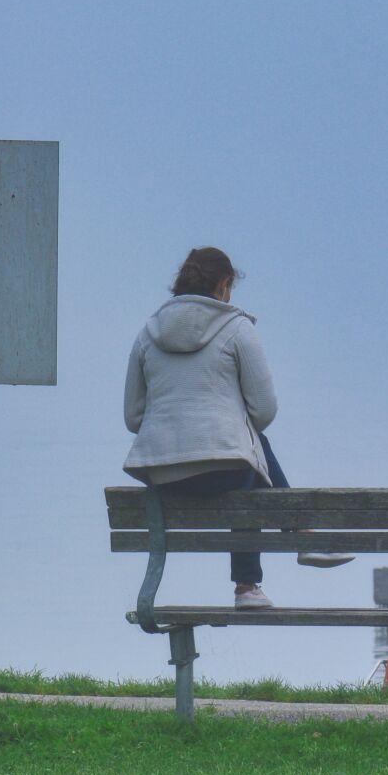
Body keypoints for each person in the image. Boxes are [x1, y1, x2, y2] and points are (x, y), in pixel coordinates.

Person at [123, 246, 350, 609]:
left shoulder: (146, 334)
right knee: (254, 457)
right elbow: (264, 409)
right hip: (222, 474)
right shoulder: (237, 328)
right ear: (224, 285)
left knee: (251, 454)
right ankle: (255, 579)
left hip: (160, 475)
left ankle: (297, 542)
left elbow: (133, 419)